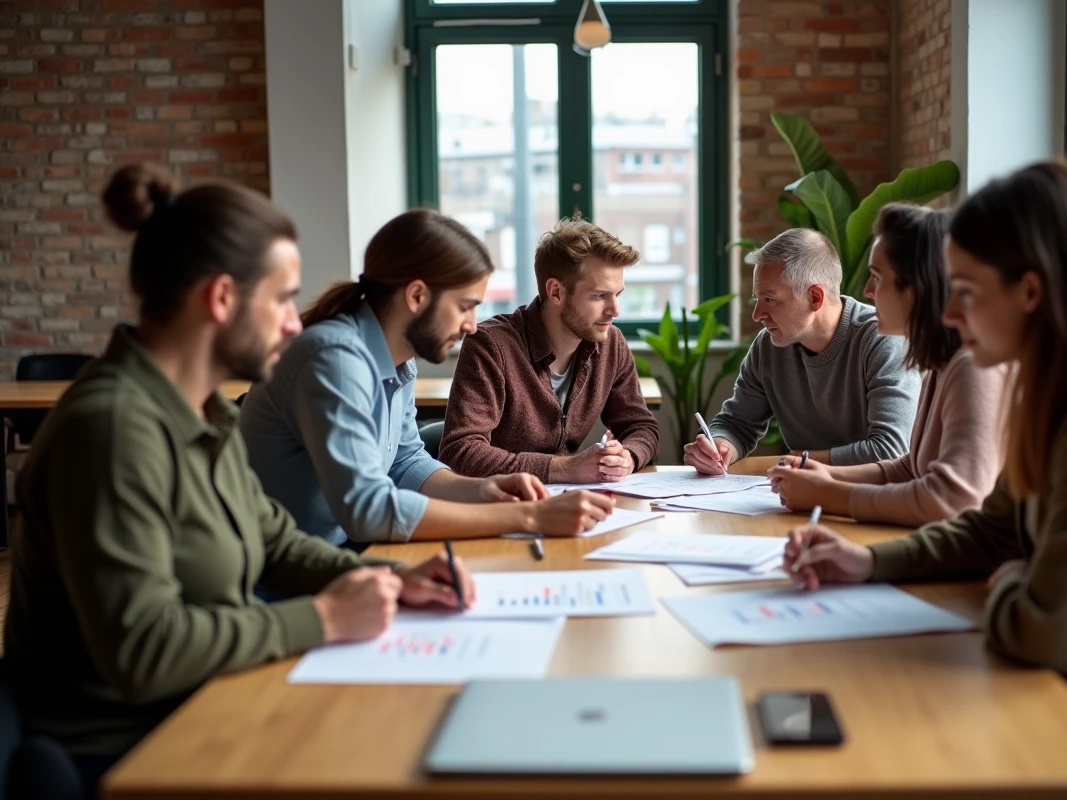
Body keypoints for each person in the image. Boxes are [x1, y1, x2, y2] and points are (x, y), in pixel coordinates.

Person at [3, 164, 476, 797]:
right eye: (281, 299)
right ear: (222, 299)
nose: (292, 322)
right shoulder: (114, 429)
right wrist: (326, 619)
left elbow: (274, 541)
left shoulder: (203, 411)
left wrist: (396, 578)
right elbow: (147, 650)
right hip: (133, 749)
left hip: (210, 700)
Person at [782, 161, 1067, 797]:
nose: (948, 310)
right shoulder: (1052, 388)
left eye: (967, 290)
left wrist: (1008, 584)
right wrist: (868, 566)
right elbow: (992, 531)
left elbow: (1052, 630)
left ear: (1030, 292)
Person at [239, 210, 614, 547]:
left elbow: (404, 464)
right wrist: (530, 517)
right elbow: (367, 509)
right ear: (417, 296)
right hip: (282, 576)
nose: (471, 326)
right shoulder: (333, 360)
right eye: (464, 306)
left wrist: (485, 490)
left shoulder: (398, 361)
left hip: (341, 553)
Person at [767, 204, 1008, 526]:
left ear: (917, 288)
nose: (867, 291)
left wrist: (828, 494)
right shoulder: (940, 361)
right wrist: (828, 475)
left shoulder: (972, 366)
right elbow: (909, 469)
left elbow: (953, 499)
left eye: (878, 278)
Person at [440, 216, 659, 484]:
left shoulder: (610, 343)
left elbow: (641, 427)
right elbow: (460, 453)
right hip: (501, 506)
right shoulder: (491, 344)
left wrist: (628, 456)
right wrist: (566, 468)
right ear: (556, 292)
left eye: (617, 294)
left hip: (568, 504)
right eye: (599, 296)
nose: (615, 310)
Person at [683, 228, 920, 473]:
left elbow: (891, 450)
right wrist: (720, 447)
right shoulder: (768, 346)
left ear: (815, 297)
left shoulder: (884, 339)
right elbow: (736, 423)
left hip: (875, 502)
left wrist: (799, 461)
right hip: (802, 496)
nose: (757, 315)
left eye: (770, 299)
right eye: (757, 299)